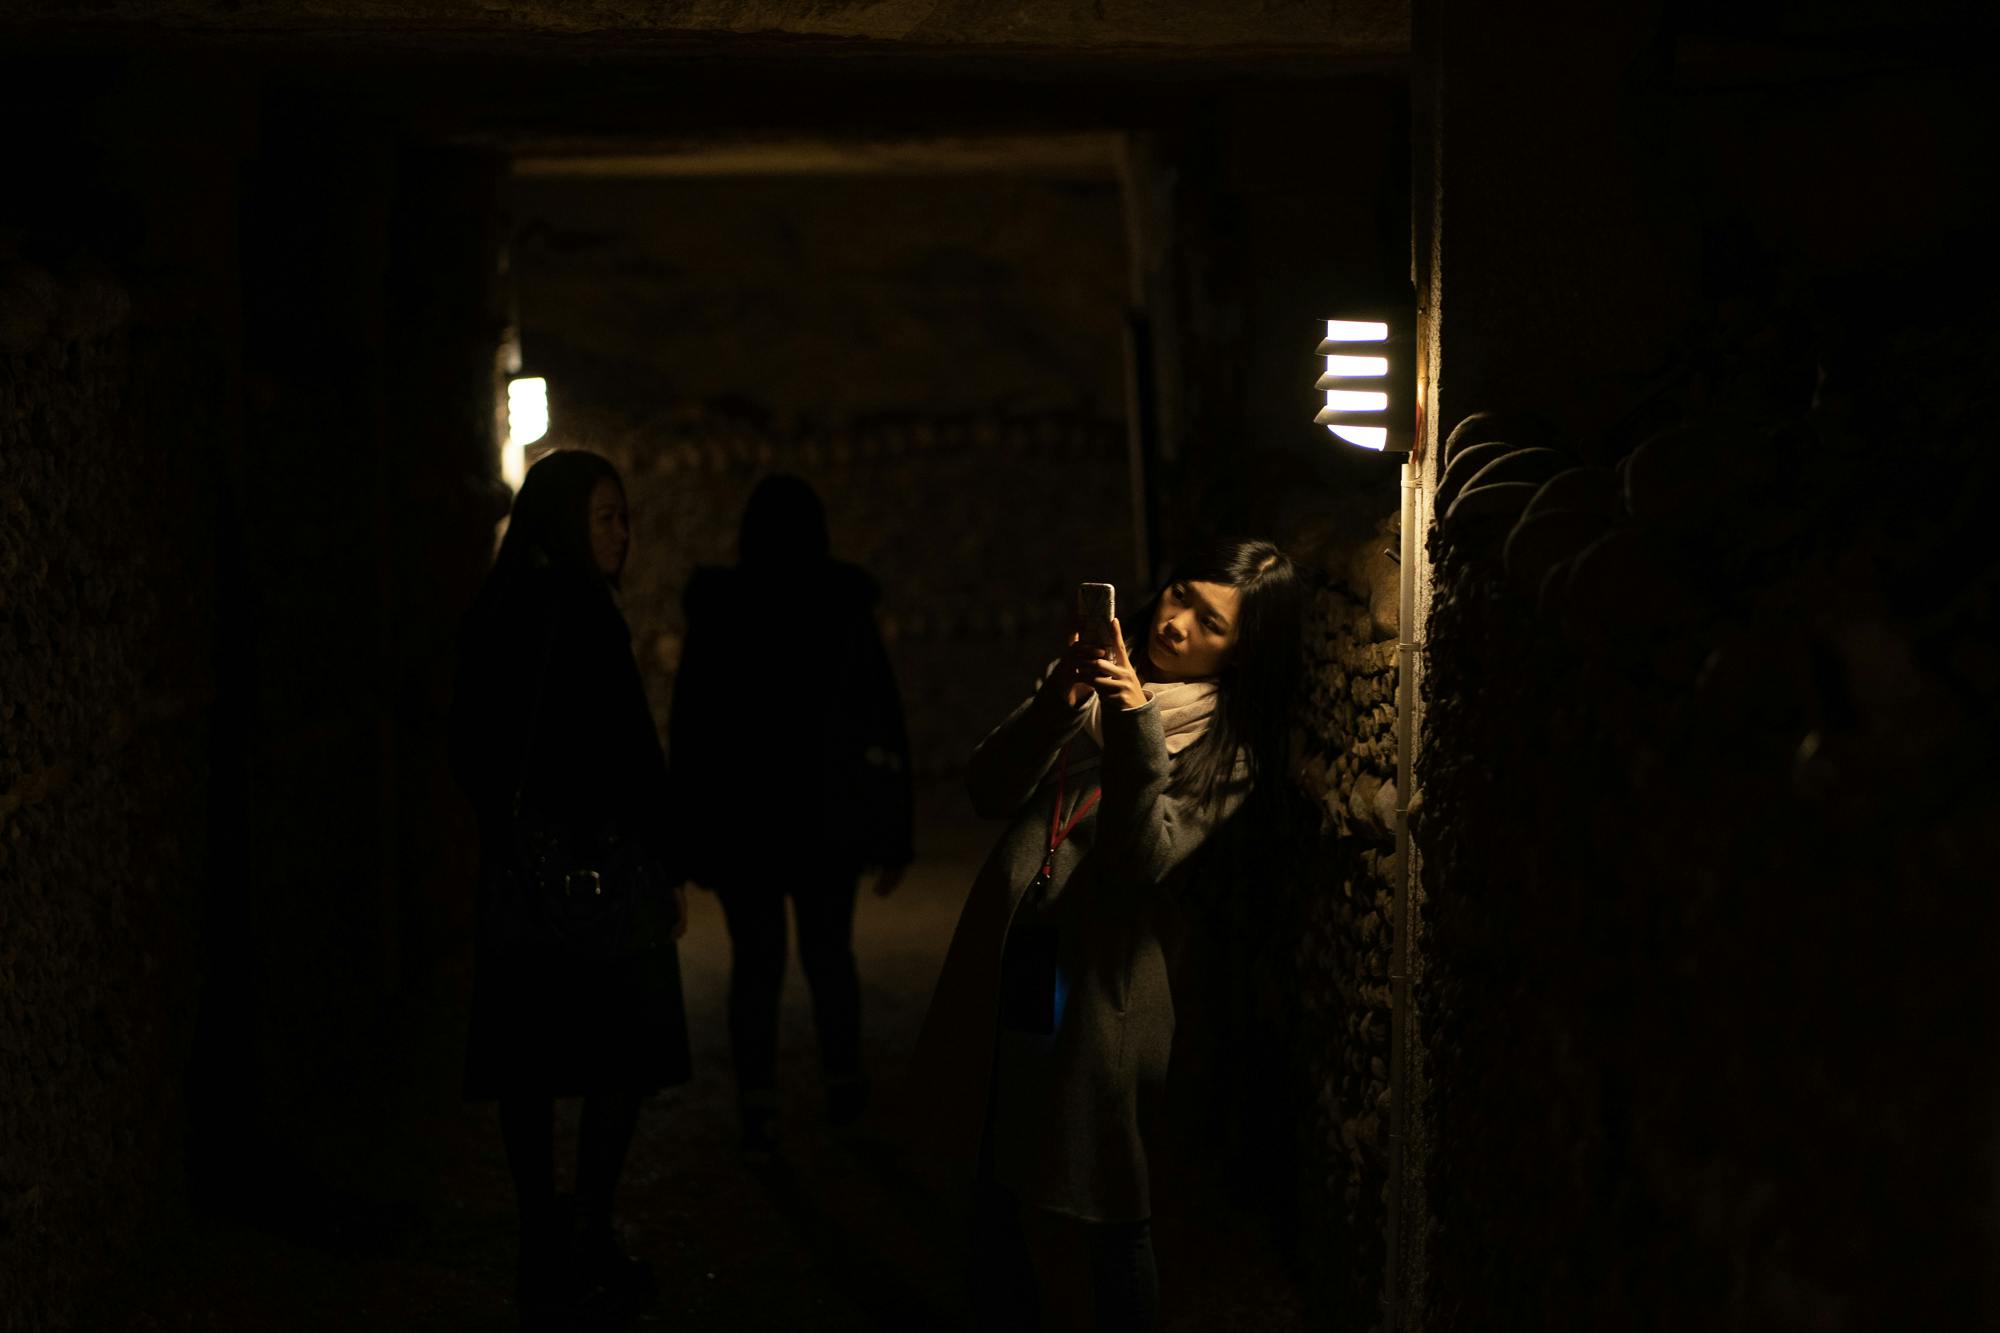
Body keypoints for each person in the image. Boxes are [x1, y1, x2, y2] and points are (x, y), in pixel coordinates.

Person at [912, 538, 1304, 1332]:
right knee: (994, 1161)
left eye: (1211, 622)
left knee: (1110, 1200)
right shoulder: (1092, 698)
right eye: (1179, 595)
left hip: (1106, 989)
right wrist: (1060, 698)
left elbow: (1139, 856)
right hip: (1026, 953)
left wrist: (1131, 719)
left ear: (1241, 651)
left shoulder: (1227, 749)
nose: (1178, 624)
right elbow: (989, 786)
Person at [449, 449, 691, 1330]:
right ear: (564, 523)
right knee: (615, 1060)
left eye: (623, 517)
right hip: (602, 874)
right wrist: (659, 857)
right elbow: (627, 752)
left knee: (530, 1065)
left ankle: (540, 1241)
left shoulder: (494, 610)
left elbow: (469, 747)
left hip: (522, 880)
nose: (621, 535)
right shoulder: (583, 615)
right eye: (604, 518)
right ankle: (585, 1228)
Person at [668, 475, 913, 1156]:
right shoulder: (840, 606)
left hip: (749, 820)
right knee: (829, 954)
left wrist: (685, 836)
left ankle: (760, 1101)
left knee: (758, 962)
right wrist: (894, 826)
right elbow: (882, 717)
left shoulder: (721, 610)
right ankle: (842, 1084)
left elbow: (691, 727)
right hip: (823, 816)